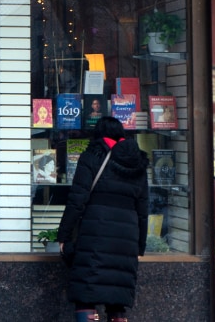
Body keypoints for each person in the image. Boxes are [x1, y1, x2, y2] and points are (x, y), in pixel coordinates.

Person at [56, 116, 149, 322]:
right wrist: (139, 247)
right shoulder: (138, 164)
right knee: (117, 299)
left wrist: (62, 235)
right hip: (126, 239)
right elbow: (143, 209)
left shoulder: (91, 157)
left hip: (95, 235)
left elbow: (76, 201)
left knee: (86, 295)